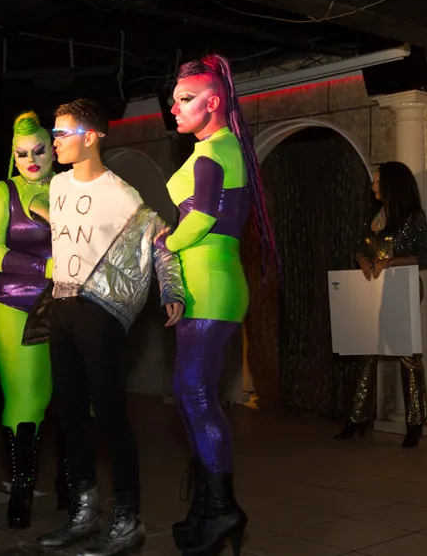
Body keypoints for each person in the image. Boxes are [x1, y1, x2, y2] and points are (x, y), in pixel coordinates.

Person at [37, 99, 185, 556]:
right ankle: (83, 513)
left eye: (62, 133)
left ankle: (128, 519)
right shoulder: (57, 186)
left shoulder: (120, 193)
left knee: (110, 414)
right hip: (62, 307)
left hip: (100, 311)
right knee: (69, 415)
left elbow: (160, 239)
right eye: (53, 133)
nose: (55, 142)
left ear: (92, 135)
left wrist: (171, 288)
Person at [160, 55, 279, 556]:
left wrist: (163, 243)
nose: (174, 108)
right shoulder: (224, 147)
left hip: (210, 282)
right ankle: (207, 508)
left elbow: (203, 216)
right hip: (209, 281)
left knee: (195, 394)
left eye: (185, 99)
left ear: (213, 103)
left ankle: (222, 509)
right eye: (173, 99)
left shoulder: (213, 151)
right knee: (190, 393)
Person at [0, 111, 64, 528]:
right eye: (22, 153)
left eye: (39, 151)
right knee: (27, 396)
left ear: (52, 151)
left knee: (75, 393)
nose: (31, 160)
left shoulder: (72, 187)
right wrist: (41, 268)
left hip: (71, 302)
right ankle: (22, 490)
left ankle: (71, 483)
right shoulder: (1, 192)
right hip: (16, 303)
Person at [334, 161, 427, 448]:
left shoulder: (413, 218)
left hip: (401, 287)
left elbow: (426, 257)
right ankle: (356, 418)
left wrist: (390, 262)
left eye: (378, 180)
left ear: (393, 183)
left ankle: (415, 422)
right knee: (365, 350)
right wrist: (363, 260)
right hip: (372, 289)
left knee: (408, 353)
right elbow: (359, 247)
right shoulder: (373, 215)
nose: (373, 186)